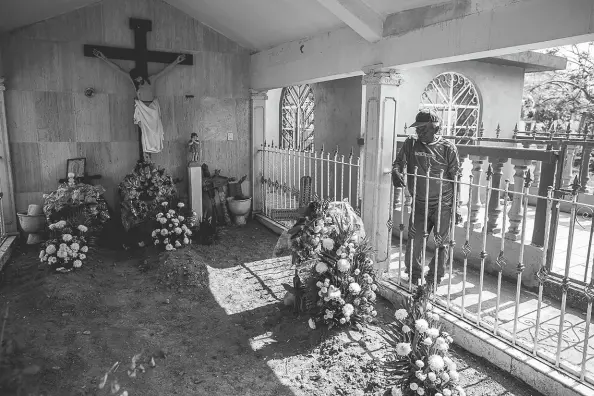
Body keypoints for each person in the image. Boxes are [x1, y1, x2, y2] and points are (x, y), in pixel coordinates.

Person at [392, 109, 461, 287]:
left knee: (441, 243)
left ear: (435, 129)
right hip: (420, 202)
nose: (419, 132)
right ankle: (414, 275)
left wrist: (457, 206)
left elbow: (456, 178)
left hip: (442, 203)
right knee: (414, 241)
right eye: (418, 129)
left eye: (423, 129)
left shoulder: (447, 148)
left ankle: (434, 278)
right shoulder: (411, 143)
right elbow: (399, 162)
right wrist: (396, 171)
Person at [92, 50, 186, 157]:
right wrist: (104, 58)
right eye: (135, 79)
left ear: (141, 75)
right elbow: (118, 69)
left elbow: (164, 71)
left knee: (155, 132)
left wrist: (176, 62)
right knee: (145, 133)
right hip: (142, 109)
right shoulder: (134, 83)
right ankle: (146, 156)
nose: (137, 79)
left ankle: (155, 148)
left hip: (152, 109)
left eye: (138, 77)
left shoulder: (152, 79)